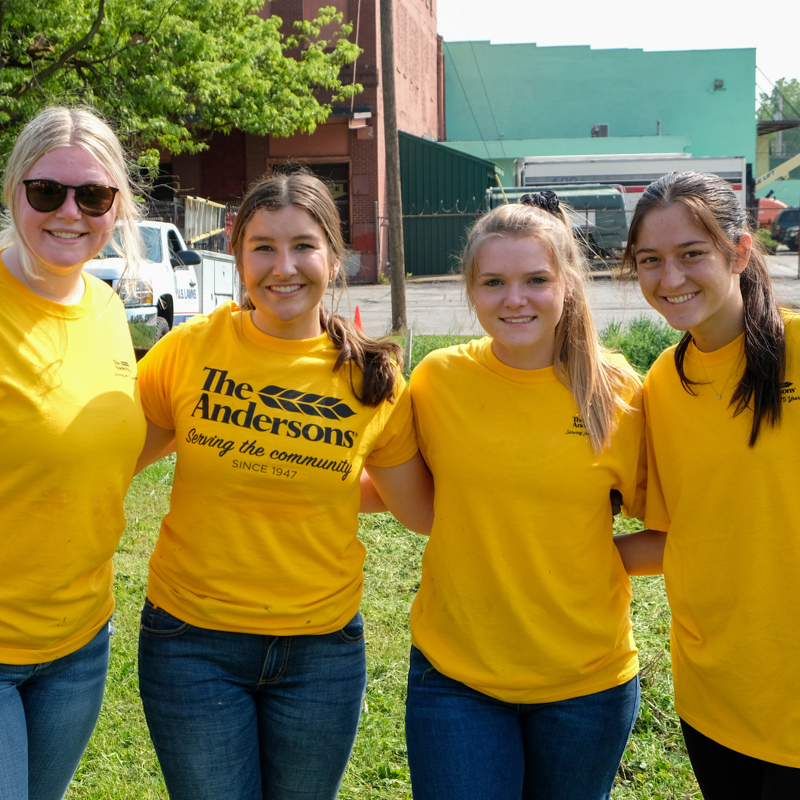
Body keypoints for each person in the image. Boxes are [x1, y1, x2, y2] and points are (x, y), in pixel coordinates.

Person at [135, 171, 433, 800]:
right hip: (191, 642)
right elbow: (107, 458)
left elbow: (418, 509)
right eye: (263, 246)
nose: (283, 266)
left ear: (334, 254)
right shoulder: (190, 349)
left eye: (303, 245)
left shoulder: (371, 379)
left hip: (321, 652)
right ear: (238, 255)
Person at [404, 193, 649, 800]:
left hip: (587, 684)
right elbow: (398, 488)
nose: (514, 299)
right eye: (494, 282)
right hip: (455, 677)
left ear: (567, 285)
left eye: (536, 279)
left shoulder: (616, 391)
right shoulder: (437, 381)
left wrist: (584, 564)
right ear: (470, 288)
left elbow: (677, 524)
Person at [620, 171, 800, 798]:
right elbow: (678, 536)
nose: (671, 279)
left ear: (739, 250)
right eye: (650, 261)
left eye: (692, 254)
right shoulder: (661, 386)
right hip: (717, 701)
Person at [0, 106, 145, 798]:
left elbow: (101, 448)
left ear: (116, 205)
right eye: (46, 191)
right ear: (13, 191)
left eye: (92, 195)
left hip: (79, 642)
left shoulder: (108, 309)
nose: (69, 212)